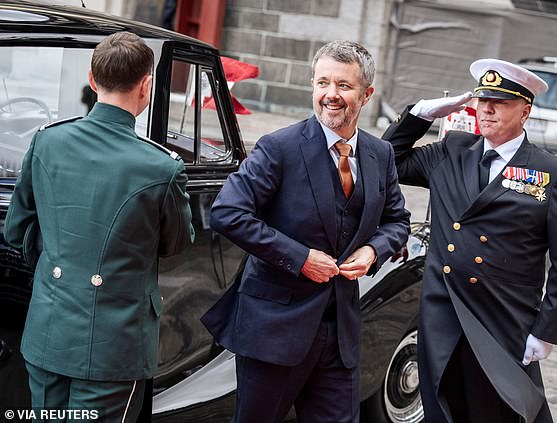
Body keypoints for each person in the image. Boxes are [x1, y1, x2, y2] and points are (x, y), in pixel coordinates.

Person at [200, 40, 410, 423]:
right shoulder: (279, 148)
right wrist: (301, 259)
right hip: (274, 329)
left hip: (341, 332)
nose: (331, 95)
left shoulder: (381, 155)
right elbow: (227, 212)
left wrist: (374, 251)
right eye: (322, 83)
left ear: (367, 94)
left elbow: (397, 221)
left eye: (343, 86)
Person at [382, 58, 557, 423]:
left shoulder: (551, 173)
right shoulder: (452, 150)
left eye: (501, 102)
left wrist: (548, 330)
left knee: (500, 410)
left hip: (502, 319)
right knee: (442, 407)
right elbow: (389, 161)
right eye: (482, 100)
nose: (487, 109)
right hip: (443, 312)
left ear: (525, 112)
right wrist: (419, 114)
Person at [4, 31, 194, 422]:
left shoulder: (46, 142)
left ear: (92, 80)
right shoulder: (162, 166)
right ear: (146, 86)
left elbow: (16, 229)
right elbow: (176, 242)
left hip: (48, 330)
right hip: (114, 344)